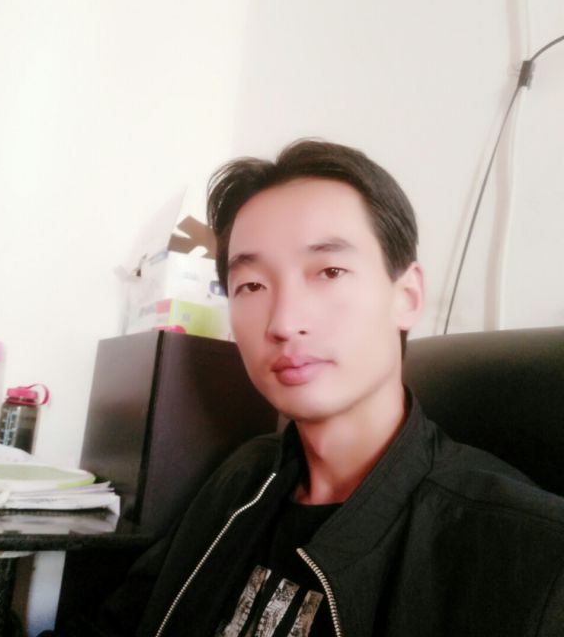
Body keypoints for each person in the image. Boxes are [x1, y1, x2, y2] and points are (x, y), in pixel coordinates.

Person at [89, 140, 564, 636]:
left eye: (330, 271)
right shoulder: (243, 479)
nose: (283, 322)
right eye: (252, 285)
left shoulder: (531, 558)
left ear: (407, 296)